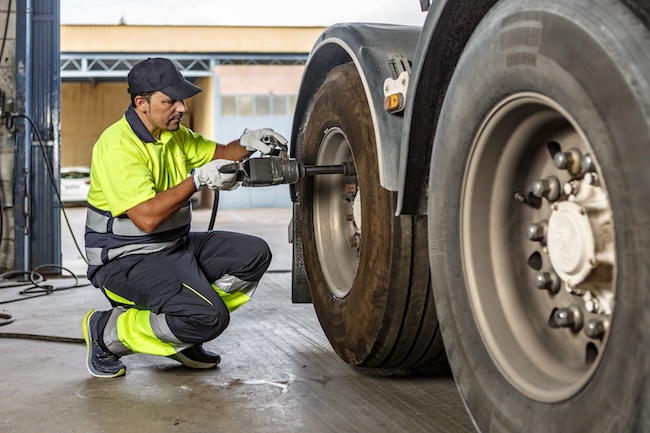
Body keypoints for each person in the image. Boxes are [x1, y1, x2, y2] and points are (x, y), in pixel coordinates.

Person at [81, 57, 288, 378]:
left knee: (254, 254)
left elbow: (221, 153)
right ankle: (107, 332)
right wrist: (197, 180)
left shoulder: (174, 135)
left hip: (173, 248)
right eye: (170, 101)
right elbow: (146, 219)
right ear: (142, 103)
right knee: (209, 317)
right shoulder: (118, 146)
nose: (181, 108)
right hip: (124, 261)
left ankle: (182, 329)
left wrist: (248, 142)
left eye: (182, 99)